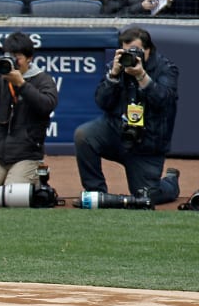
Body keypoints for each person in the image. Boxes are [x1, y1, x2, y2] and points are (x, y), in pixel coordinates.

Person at [74, 26, 181, 205]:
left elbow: (164, 100)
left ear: (148, 50)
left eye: (136, 51)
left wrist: (142, 77)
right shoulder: (118, 66)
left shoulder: (166, 69)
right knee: (84, 135)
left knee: (145, 197)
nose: (131, 56)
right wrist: (113, 75)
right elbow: (102, 102)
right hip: (117, 132)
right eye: (125, 51)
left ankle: (171, 182)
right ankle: (96, 193)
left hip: (147, 144)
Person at [0, 31, 59, 187]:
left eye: (18, 57)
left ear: (30, 58)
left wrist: (21, 85)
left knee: (14, 196)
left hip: (26, 155)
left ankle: (37, 180)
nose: (13, 62)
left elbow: (47, 106)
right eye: (9, 56)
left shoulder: (42, 79)